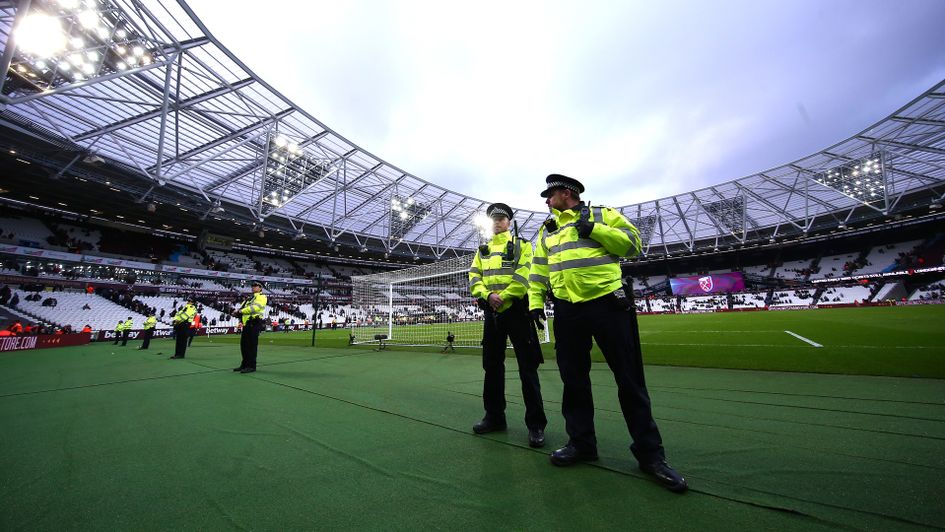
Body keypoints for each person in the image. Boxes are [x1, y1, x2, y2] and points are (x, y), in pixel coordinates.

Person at [528, 174, 687, 492]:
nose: (546, 201)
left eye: (550, 195)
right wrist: (534, 303)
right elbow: (539, 269)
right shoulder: (548, 229)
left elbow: (634, 245)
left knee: (629, 379)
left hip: (608, 306)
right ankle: (582, 443)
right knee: (573, 381)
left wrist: (595, 230)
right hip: (567, 310)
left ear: (565, 193)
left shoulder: (602, 214)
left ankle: (650, 455)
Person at [468, 202, 547, 448]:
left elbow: (525, 276)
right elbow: (474, 276)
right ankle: (494, 417)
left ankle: (535, 425)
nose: (498, 222)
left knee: (528, 368)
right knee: (491, 367)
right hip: (492, 314)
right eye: (494, 219)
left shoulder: (523, 245)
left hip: (517, 312)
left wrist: (503, 297)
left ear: (509, 222)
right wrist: (486, 296)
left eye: (502, 219)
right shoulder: (482, 250)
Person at [232, 280, 267, 373]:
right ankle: (244, 365)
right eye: (253, 285)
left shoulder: (262, 297)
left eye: (256, 286)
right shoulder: (249, 298)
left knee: (251, 346)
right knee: (244, 345)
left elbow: (255, 308)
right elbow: (242, 309)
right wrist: (237, 312)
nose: (253, 287)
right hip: (247, 323)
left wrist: (240, 311)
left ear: (260, 288)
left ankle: (251, 366)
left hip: (254, 322)